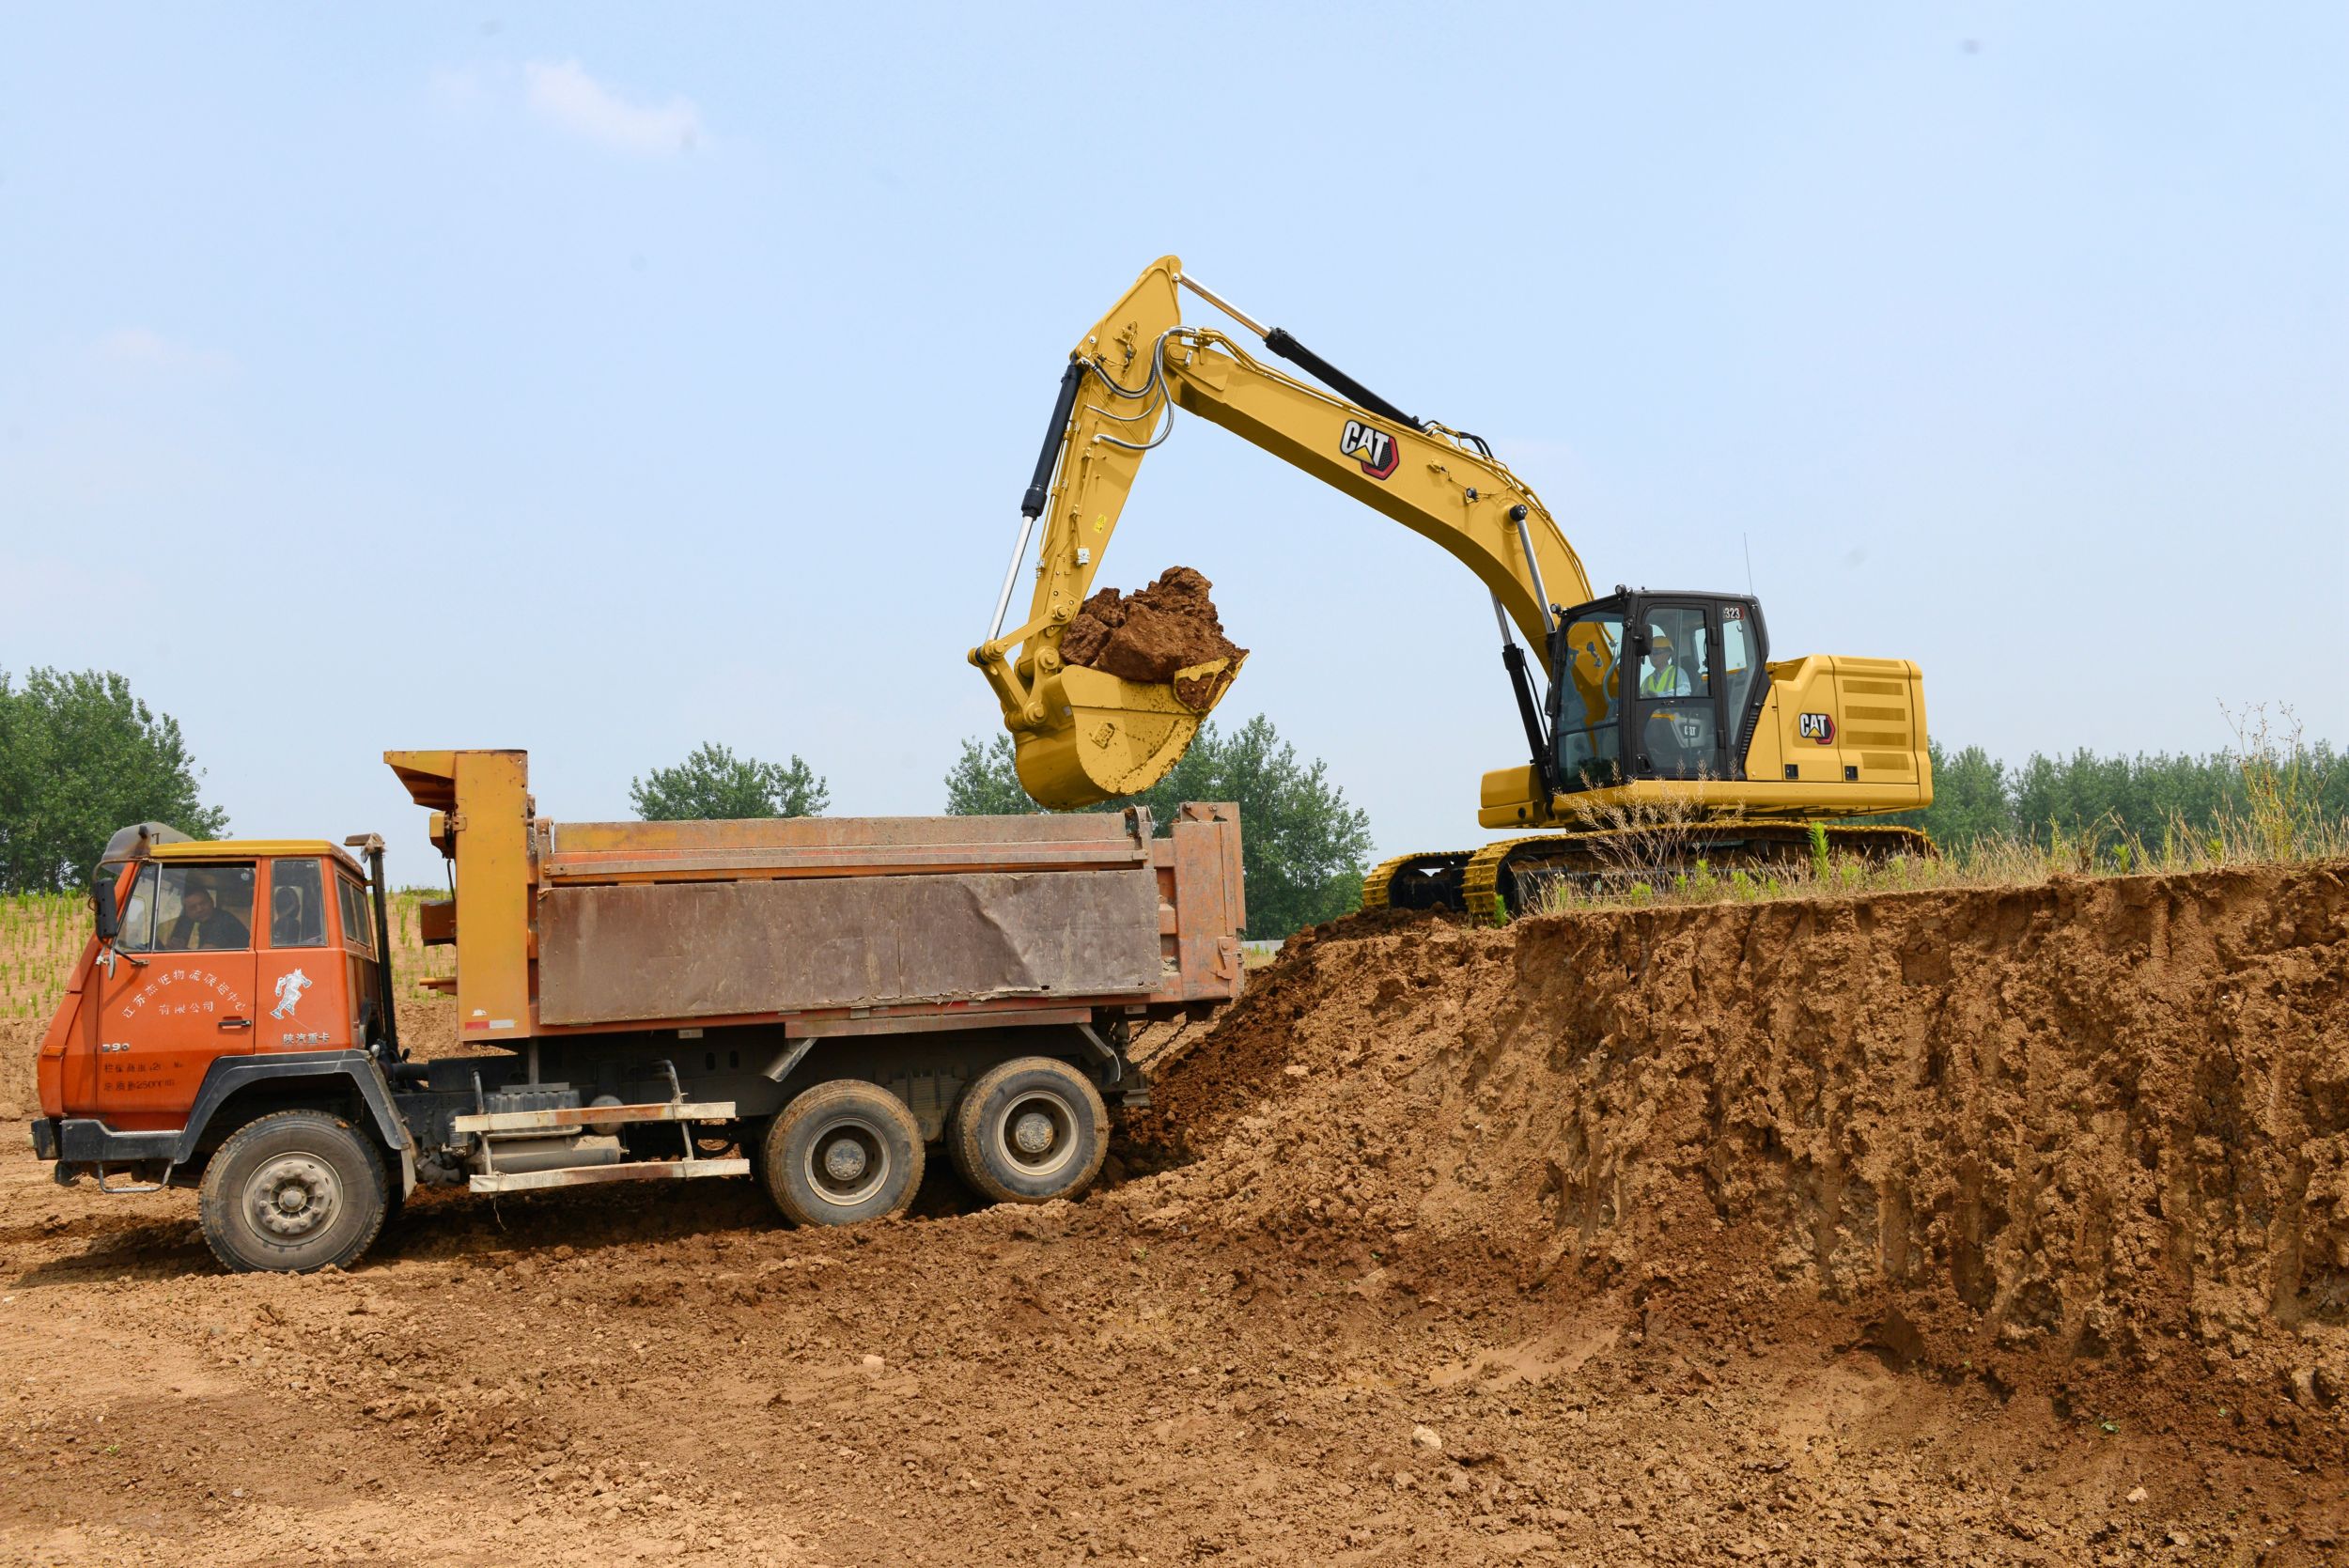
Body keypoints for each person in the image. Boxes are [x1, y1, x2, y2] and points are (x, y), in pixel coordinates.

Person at [162, 878, 250, 950]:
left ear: (211, 902)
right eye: (193, 907)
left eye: (203, 903)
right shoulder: (202, 923)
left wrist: (181, 950)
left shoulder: (223, 921)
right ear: (186, 912)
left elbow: (206, 954)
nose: (199, 909)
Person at [1640, 633, 1692, 698]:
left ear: (1668, 653)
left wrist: (1660, 695)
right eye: (1650, 653)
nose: (1652, 656)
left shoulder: (1677, 672)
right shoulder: (1646, 681)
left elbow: (1685, 691)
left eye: (1656, 652)